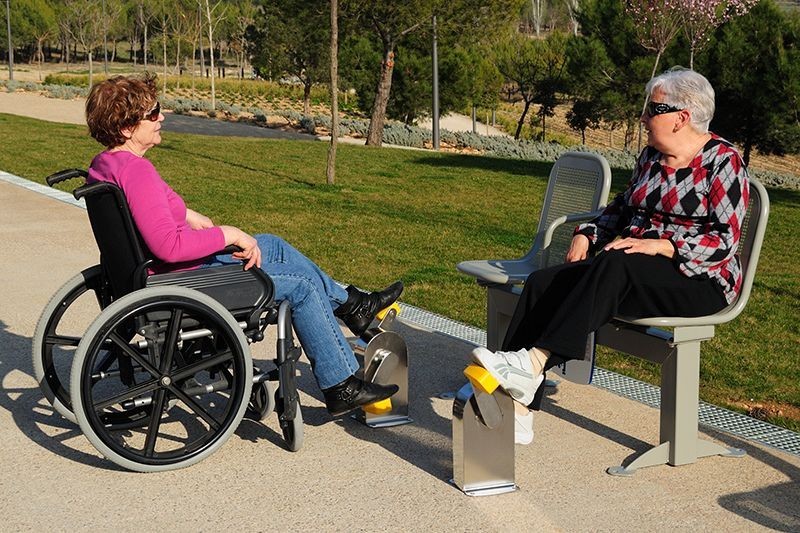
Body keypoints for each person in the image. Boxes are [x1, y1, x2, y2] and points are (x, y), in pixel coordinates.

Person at [84, 72, 403, 417]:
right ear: (127, 127)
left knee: (273, 245)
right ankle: (340, 384)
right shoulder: (138, 171)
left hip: (156, 275)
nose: (162, 117)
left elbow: (144, 210)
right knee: (304, 287)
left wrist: (186, 213)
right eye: (153, 112)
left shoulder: (108, 164)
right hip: (180, 281)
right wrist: (229, 233)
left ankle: (353, 305)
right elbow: (169, 247)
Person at [470, 67, 750, 445]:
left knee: (616, 262)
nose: (644, 117)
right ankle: (515, 408)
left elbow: (724, 240)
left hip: (700, 280)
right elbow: (621, 209)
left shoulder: (723, 162)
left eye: (653, 109)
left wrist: (663, 245)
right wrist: (588, 232)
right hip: (631, 269)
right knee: (542, 282)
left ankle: (531, 363)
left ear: (682, 117)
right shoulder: (651, 157)